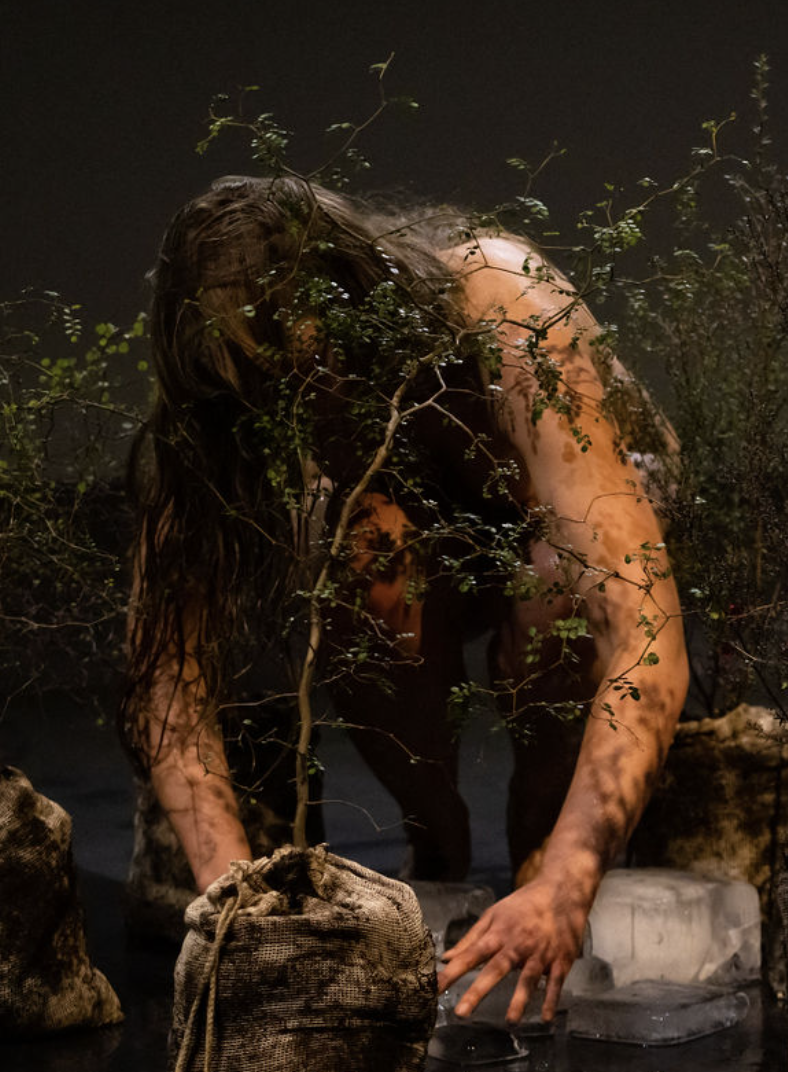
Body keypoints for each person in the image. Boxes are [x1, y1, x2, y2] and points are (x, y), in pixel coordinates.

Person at [124, 174, 688, 1024]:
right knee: (369, 551)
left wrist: (569, 878)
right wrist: (231, 896)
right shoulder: (224, 398)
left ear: (355, 299)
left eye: (303, 364)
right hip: (428, 535)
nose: (295, 403)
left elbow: (643, 631)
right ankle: (438, 844)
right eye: (260, 388)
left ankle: (541, 838)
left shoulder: (502, 304)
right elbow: (168, 677)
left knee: (555, 589)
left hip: (575, 528)